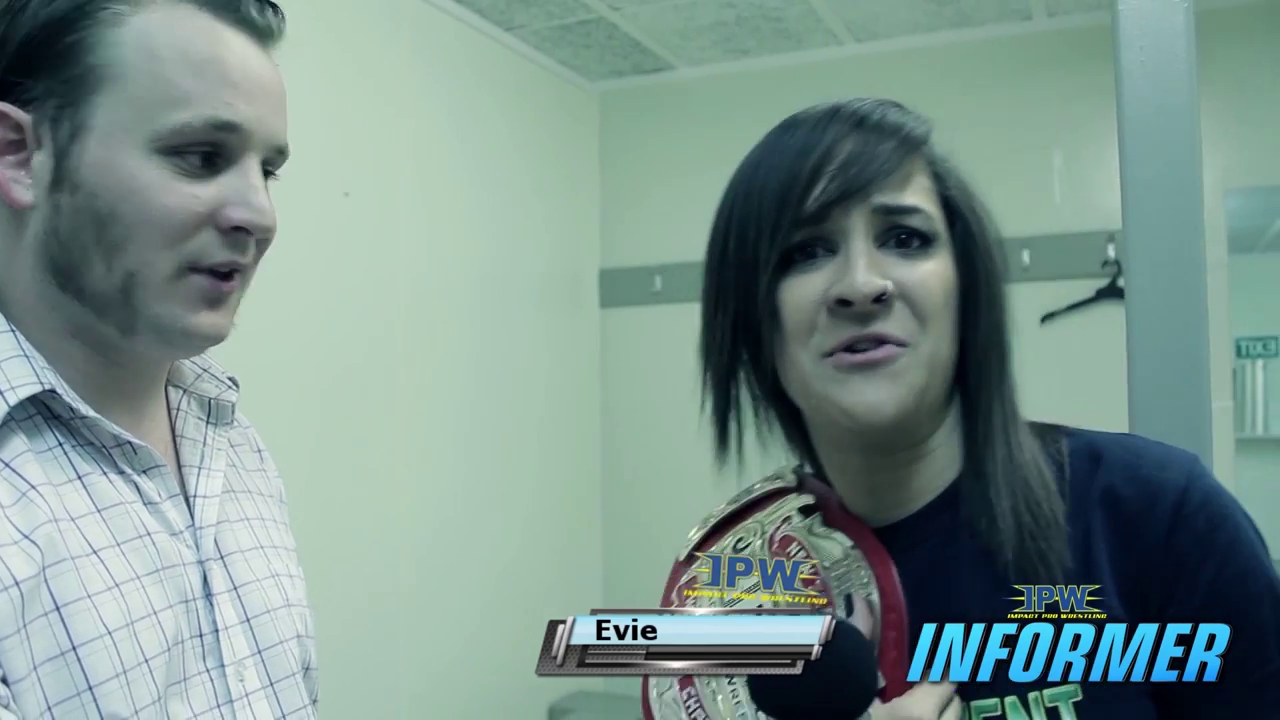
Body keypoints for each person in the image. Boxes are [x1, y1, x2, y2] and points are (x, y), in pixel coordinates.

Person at [642, 98, 1280, 719]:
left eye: (905, 237)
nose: (861, 285)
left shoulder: (1160, 514)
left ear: (965, 292)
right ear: (752, 319)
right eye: (805, 250)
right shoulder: (732, 591)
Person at [0, 1, 317, 718]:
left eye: (267, 170)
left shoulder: (232, 442)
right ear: (19, 156)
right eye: (200, 157)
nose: (260, 215)